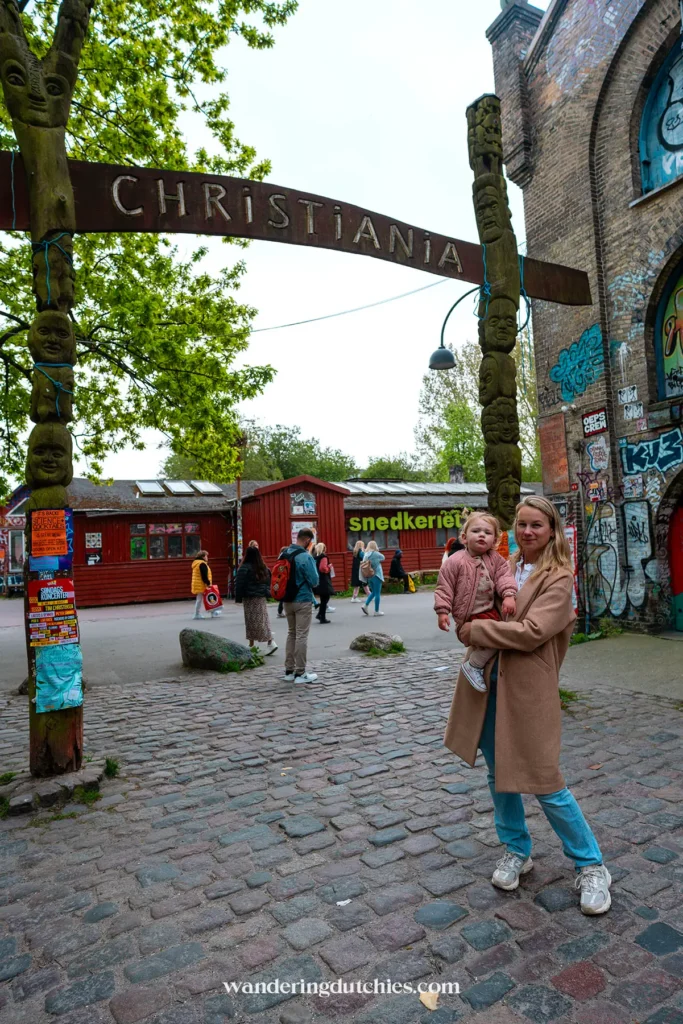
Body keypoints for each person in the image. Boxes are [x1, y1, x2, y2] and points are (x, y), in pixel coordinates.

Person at [443, 496, 611, 916]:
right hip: (486, 684)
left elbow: (533, 632)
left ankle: (591, 865)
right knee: (499, 774)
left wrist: (476, 629)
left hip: (529, 688)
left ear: (551, 529)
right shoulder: (501, 566)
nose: (527, 532)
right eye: (521, 524)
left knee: (546, 781)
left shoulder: (558, 577)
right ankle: (516, 849)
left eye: (536, 525)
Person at [434, 512, 517, 692]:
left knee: (499, 637)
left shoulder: (496, 560)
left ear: (494, 540)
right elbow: (444, 587)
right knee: (495, 639)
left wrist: (509, 595)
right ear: (464, 537)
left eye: (487, 533)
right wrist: (442, 611)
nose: (481, 535)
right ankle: (474, 665)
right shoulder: (455, 562)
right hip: (467, 613)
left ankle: (479, 666)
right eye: (476, 531)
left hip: (488, 611)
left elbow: (504, 577)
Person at [282, 528, 320, 684]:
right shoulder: (305, 556)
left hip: (286, 600)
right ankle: (300, 673)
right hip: (302, 599)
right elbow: (314, 580)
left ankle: (289, 671)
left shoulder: (284, 553)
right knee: (301, 635)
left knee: (291, 633)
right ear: (307, 541)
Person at [235, 546, 278, 655]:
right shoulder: (262, 567)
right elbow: (268, 582)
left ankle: (253, 644)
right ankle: (269, 643)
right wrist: (266, 593)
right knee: (263, 620)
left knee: (250, 622)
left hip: (249, 598)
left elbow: (239, 584)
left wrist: (238, 598)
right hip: (260, 598)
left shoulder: (244, 567)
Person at [190, 550, 220, 619]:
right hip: (202, 584)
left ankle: (197, 613)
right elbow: (204, 575)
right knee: (210, 598)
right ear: (203, 557)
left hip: (198, 584)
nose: (207, 557)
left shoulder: (196, 563)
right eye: (206, 556)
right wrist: (208, 583)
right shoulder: (202, 564)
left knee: (200, 599)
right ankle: (212, 612)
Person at [360, 540, 385, 616]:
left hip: (369, 576)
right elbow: (383, 557)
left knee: (373, 592)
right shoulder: (376, 553)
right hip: (377, 575)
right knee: (377, 593)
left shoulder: (366, 554)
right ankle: (376, 611)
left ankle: (365, 605)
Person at [313, 542, 335, 624]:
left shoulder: (315, 558)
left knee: (323, 598)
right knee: (325, 598)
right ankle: (322, 617)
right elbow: (323, 568)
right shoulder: (324, 557)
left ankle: (320, 615)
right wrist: (328, 568)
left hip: (317, 579)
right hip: (324, 580)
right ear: (324, 549)